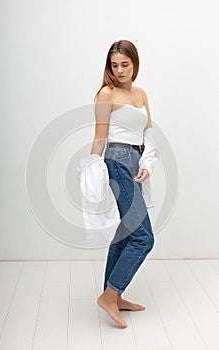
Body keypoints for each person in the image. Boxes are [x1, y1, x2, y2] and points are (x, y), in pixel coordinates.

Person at [90, 39, 157, 328]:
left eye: (125, 64)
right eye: (114, 65)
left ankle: (114, 297)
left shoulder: (141, 94)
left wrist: (147, 165)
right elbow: (100, 136)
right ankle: (110, 293)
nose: (119, 70)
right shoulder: (106, 94)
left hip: (135, 161)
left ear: (135, 63)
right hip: (116, 160)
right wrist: (93, 173)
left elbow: (149, 133)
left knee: (127, 230)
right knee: (144, 237)